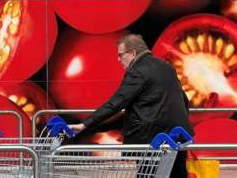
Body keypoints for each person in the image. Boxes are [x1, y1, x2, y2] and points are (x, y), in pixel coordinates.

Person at [69, 34, 194, 178]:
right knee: (178, 174)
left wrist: (84, 125)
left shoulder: (137, 71)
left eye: (121, 55)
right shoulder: (166, 66)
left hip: (152, 139)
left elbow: (116, 102)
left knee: (148, 175)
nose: (118, 59)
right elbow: (183, 99)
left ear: (133, 53)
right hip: (178, 135)